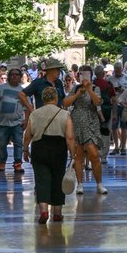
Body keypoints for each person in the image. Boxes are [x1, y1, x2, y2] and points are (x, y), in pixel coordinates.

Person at [24, 85, 76, 223]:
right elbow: (70, 137)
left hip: (39, 147)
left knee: (41, 180)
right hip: (58, 148)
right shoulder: (64, 114)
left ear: (42, 98)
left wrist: (25, 149)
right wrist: (73, 154)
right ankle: (57, 212)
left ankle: (43, 211)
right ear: (56, 98)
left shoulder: (35, 114)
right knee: (58, 178)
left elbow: (28, 135)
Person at [63, 63, 108, 195]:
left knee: (94, 154)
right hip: (77, 121)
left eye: (87, 74)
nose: (84, 76)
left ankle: (99, 183)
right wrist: (78, 94)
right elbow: (66, 103)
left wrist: (89, 89)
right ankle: (80, 184)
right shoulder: (75, 88)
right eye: (82, 74)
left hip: (91, 122)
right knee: (78, 155)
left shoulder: (95, 88)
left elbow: (97, 102)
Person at [0, 67, 31, 175]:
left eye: (17, 75)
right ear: (8, 77)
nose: (14, 76)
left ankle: (18, 163)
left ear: (20, 77)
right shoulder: (1, 88)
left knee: (18, 143)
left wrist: (26, 121)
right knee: (2, 143)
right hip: (3, 123)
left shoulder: (23, 91)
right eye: (12, 74)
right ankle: (2, 162)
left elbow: (28, 108)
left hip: (17, 122)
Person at [109, 61, 127, 155]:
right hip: (114, 104)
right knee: (114, 127)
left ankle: (123, 147)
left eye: (119, 71)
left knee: (124, 127)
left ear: (122, 69)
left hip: (124, 104)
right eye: (116, 71)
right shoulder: (110, 79)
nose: (117, 73)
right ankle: (116, 146)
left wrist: (123, 90)